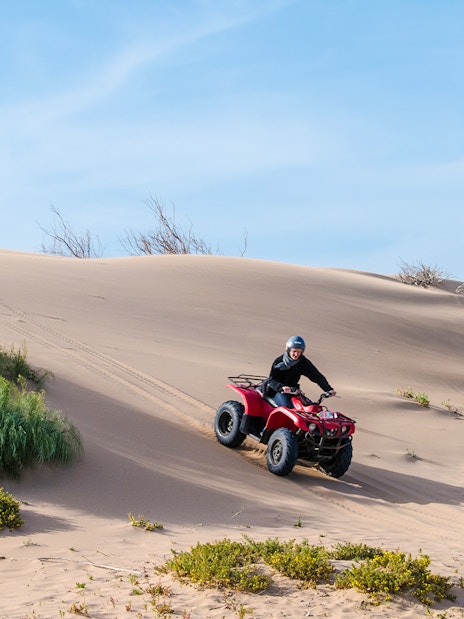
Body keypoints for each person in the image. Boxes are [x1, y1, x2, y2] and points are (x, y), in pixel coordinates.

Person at [263, 335, 336, 408]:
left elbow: (316, 376)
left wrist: (328, 389)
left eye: (299, 352)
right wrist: (282, 387)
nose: (296, 354)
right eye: (294, 351)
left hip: (293, 391)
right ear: (288, 350)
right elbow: (271, 380)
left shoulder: (303, 362)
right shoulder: (279, 361)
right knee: (286, 407)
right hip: (276, 391)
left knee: (308, 406)